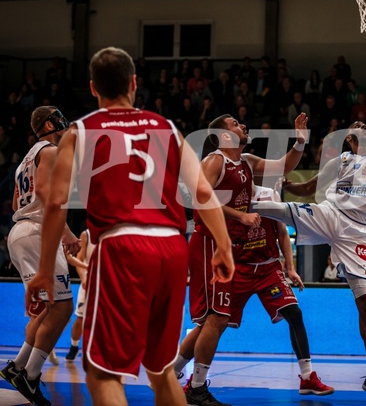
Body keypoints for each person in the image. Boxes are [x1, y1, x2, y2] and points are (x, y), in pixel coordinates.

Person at [25, 47, 234, 406]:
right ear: (134, 83)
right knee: (161, 369)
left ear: (93, 88)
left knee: (102, 373)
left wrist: (45, 269)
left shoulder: (80, 130)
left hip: (122, 246)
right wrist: (224, 246)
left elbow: (57, 201)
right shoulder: (166, 127)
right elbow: (202, 191)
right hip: (171, 247)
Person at [250, 53, 366, 405]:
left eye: (365, 125)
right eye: (357, 126)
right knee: (275, 207)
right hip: (329, 214)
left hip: (357, 232)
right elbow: (311, 188)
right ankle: (233, 202)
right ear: (349, 138)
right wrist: (291, 186)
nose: (362, 126)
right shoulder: (340, 161)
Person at [174, 111, 309, 406]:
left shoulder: (246, 162)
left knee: (214, 319)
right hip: (209, 242)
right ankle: (195, 387)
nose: (243, 125)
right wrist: (240, 216)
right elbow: (201, 199)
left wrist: (299, 143)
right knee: (217, 317)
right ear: (225, 136)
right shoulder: (215, 161)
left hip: (227, 245)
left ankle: (175, 375)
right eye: (235, 123)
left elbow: (283, 165)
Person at [1, 106, 80, 406]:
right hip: (37, 230)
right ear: (50, 124)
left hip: (19, 231)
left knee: (46, 309)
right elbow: (48, 195)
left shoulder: (25, 160)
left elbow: (14, 201)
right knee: (62, 308)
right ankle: (30, 375)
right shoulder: (48, 151)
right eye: (60, 118)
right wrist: (67, 234)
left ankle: (18, 367)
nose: (65, 122)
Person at [65, 230, 91, 362]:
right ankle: (74, 346)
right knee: (80, 317)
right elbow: (78, 259)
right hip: (89, 280)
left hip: (109, 281)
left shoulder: (116, 233)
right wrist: (84, 277)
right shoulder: (86, 234)